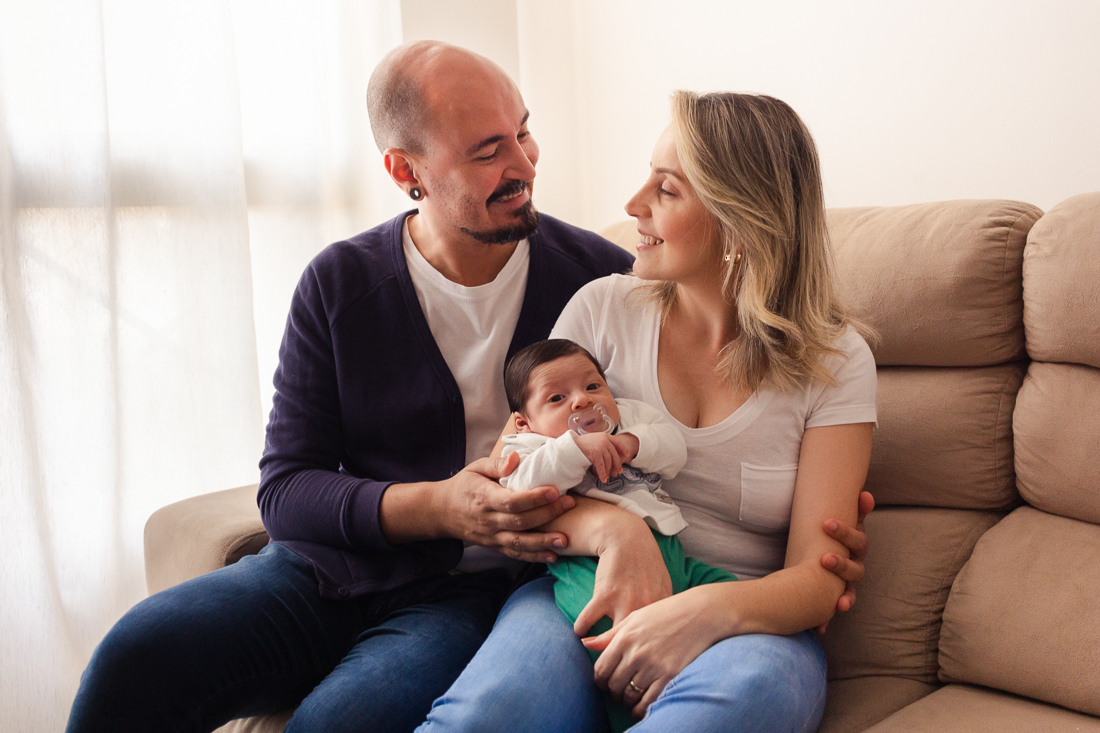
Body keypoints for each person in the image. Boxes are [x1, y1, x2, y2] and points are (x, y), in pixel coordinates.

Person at [66, 41, 870, 733]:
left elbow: (799, 546)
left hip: (472, 593)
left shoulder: (594, 274)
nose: (524, 165)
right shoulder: (350, 284)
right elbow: (287, 486)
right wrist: (451, 507)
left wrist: (783, 574)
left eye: (524, 133)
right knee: (136, 656)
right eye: (488, 151)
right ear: (404, 170)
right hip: (334, 571)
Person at [417, 91, 876, 733]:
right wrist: (619, 533)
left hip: (746, 627)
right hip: (580, 588)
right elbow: (515, 484)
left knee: (746, 697)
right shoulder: (603, 309)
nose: (633, 205)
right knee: (483, 719)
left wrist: (699, 613)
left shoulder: (835, 360)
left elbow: (819, 579)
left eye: (666, 189)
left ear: (740, 221)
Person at [500, 337, 737, 733]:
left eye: (593, 386)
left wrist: (632, 444)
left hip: (672, 554)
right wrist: (575, 449)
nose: (581, 400)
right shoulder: (528, 445)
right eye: (557, 398)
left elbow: (674, 450)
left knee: (733, 600)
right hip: (590, 570)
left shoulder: (629, 417)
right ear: (524, 422)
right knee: (616, 641)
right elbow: (517, 486)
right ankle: (632, 718)